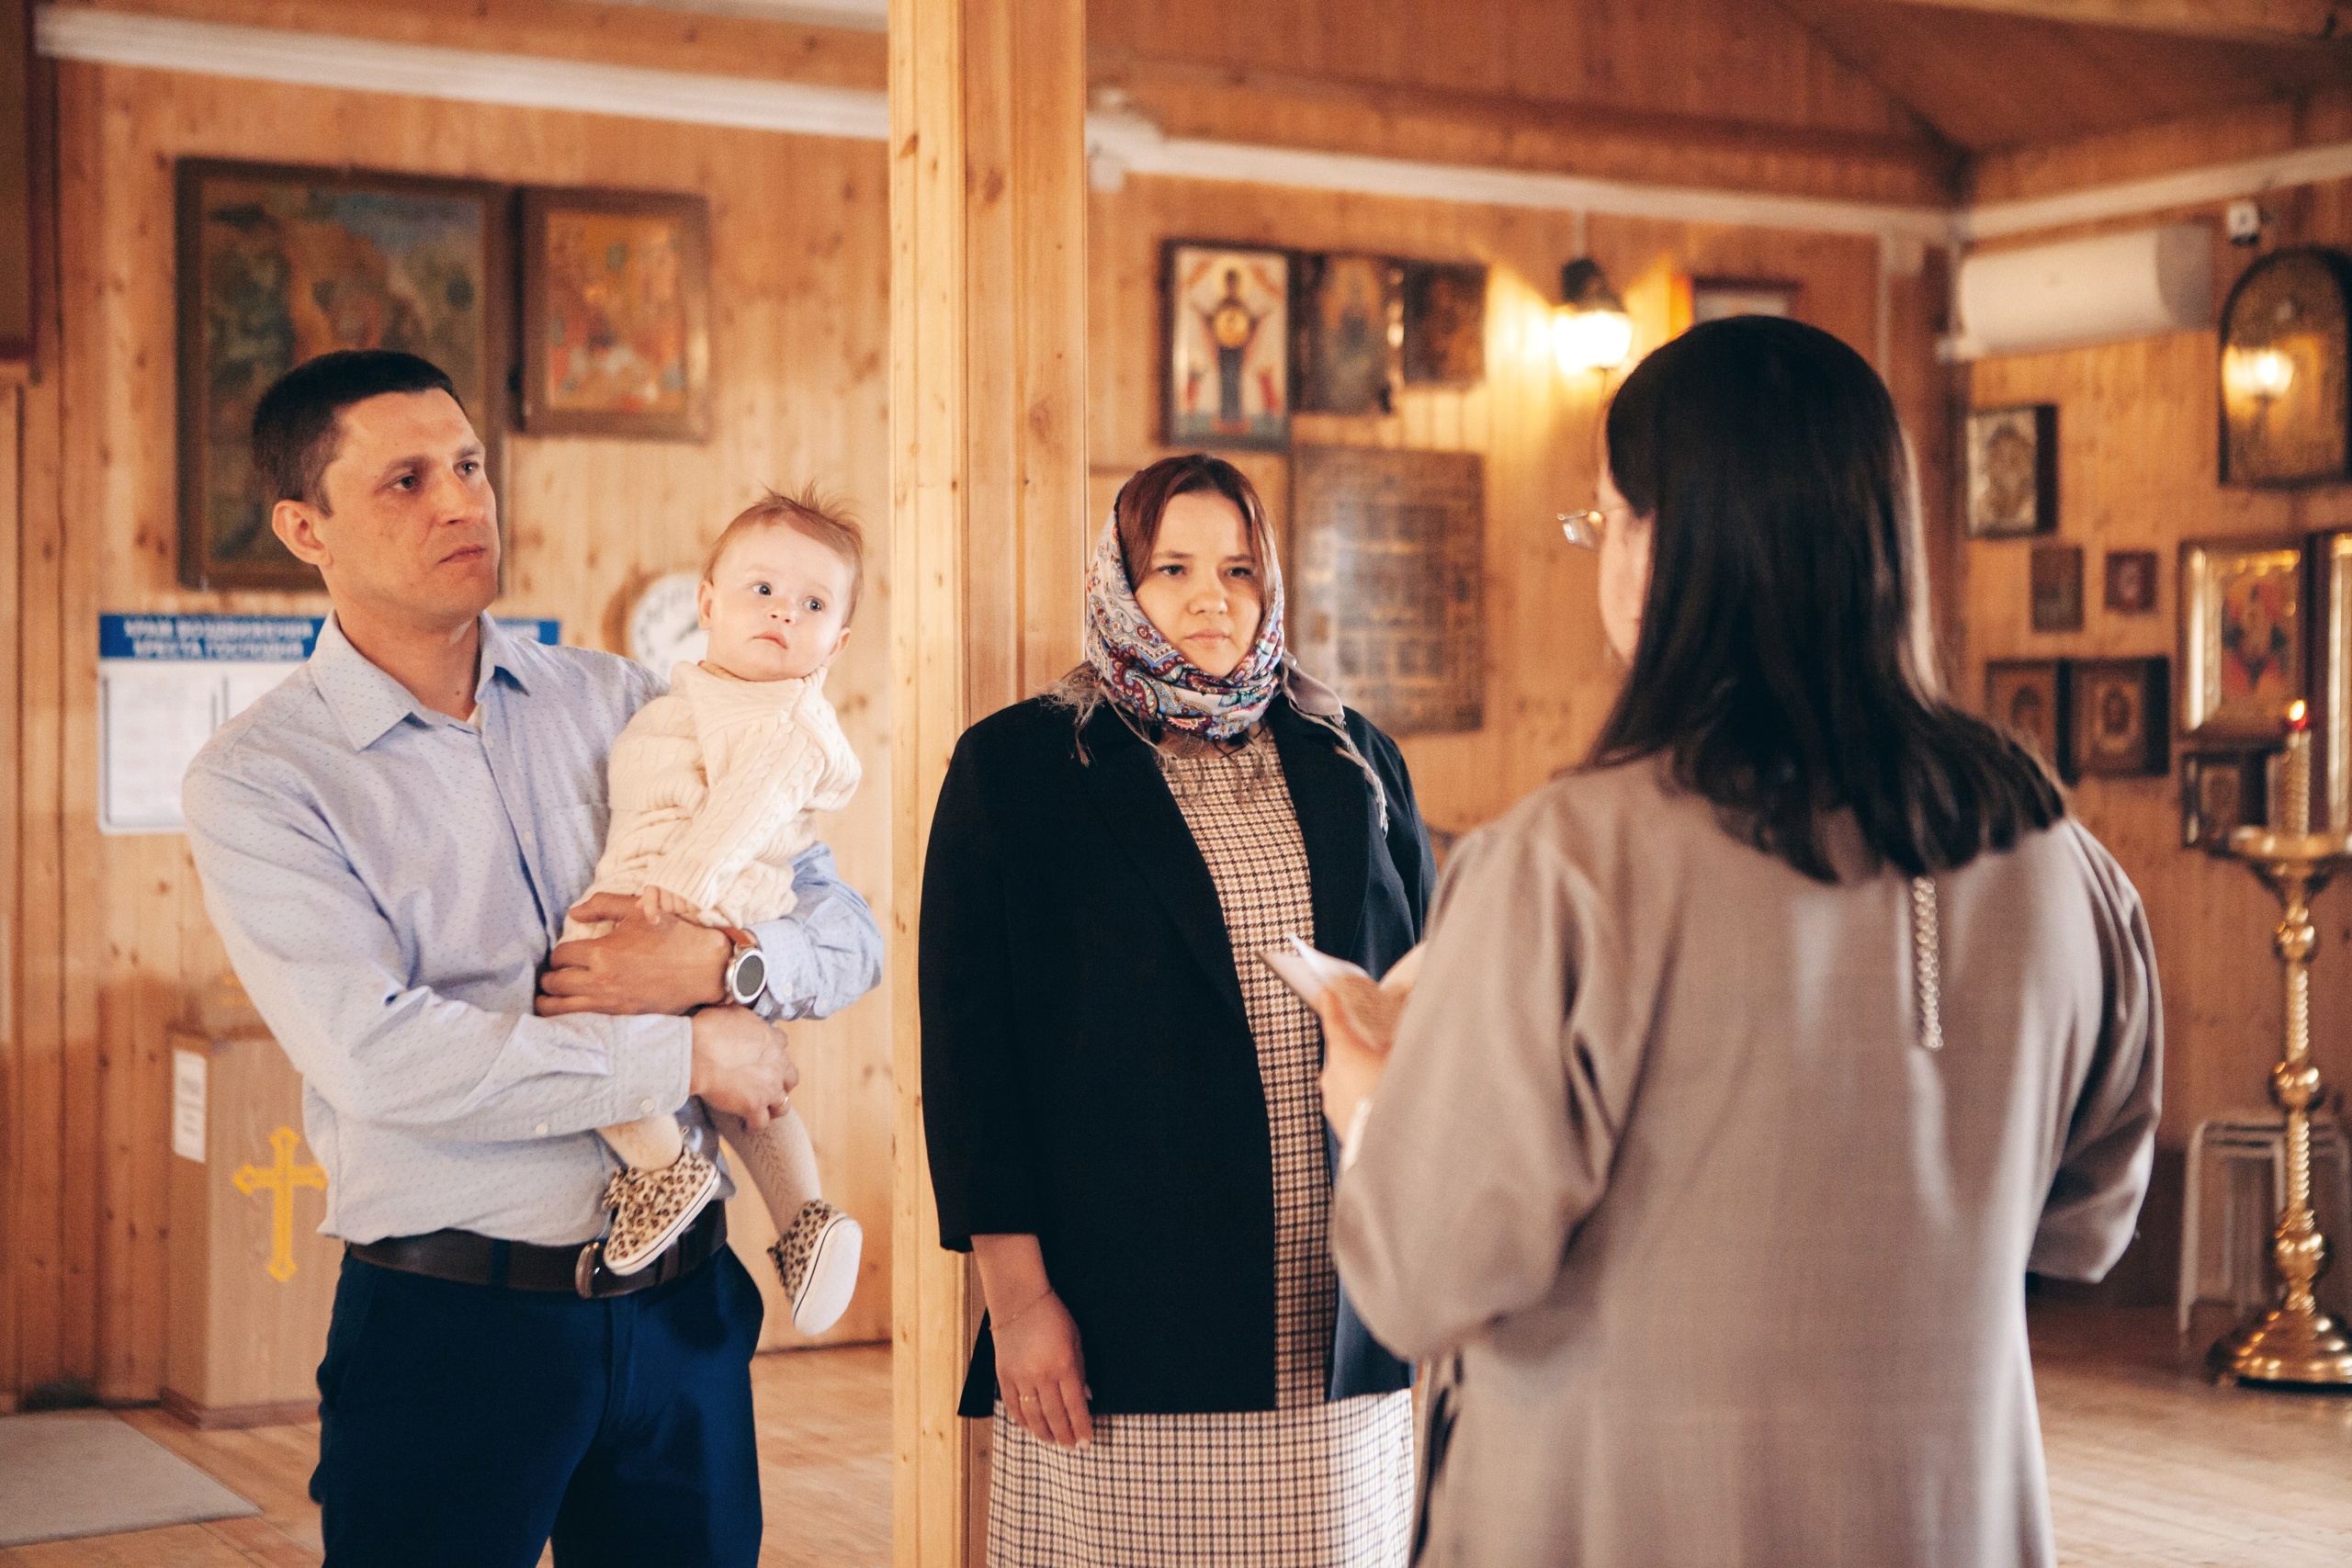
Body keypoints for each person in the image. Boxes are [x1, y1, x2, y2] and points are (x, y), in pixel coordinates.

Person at [1318, 316, 2161, 1568]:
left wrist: (1377, 1100)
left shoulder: (1571, 855)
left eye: (1606, 518)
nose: (1601, 550)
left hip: (1621, 1508)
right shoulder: (2053, 852)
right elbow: (2089, 1220)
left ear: (1672, 546)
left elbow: (1427, 1272)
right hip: (1945, 1511)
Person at [183, 350, 882, 1568]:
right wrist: (683, 1050)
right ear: (306, 526)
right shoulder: (262, 779)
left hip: (685, 1315)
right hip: (454, 1328)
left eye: (467, 465)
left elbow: (848, 930)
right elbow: (381, 1056)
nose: (460, 500)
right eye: (405, 479)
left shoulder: (625, 701)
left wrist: (735, 975)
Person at [920, 454, 1431, 1566]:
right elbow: (972, 1062)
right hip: (1123, 1316)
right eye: (1175, 568)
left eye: (1242, 568)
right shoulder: (1019, 767)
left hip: (1342, 1302)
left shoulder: (1354, 756)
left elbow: (1423, 998)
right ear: (1120, 582)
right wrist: (1017, 1302)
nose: (1214, 597)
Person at [561, 488, 866, 1336]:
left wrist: (685, 900)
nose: (782, 614)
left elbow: (746, 812)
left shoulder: (789, 717)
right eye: (761, 590)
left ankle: (664, 1169)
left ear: (834, 644)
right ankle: (805, 1218)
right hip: (672, 895)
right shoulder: (698, 694)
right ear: (708, 603)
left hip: (693, 901)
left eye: (811, 605)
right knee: (740, 1092)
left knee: (581, 1024)